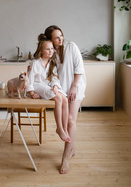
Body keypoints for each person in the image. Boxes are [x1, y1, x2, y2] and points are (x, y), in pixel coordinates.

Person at [44, 25, 86, 174]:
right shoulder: (51, 53)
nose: (60, 39)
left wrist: (74, 87)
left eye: (61, 35)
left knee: (70, 120)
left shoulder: (71, 46)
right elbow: (51, 73)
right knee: (65, 121)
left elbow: (79, 68)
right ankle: (71, 148)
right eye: (56, 37)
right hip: (62, 90)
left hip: (76, 87)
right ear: (50, 40)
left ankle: (65, 158)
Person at [27, 34, 71, 143]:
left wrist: (55, 86)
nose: (50, 51)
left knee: (65, 99)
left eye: (52, 49)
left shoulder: (52, 63)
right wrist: (32, 93)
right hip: (38, 85)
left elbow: (54, 77)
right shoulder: (35, 63)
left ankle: (64, 129)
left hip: (47, 86)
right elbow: (29, 79)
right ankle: (59, 128)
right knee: (58, 99)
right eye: (47, 49)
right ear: (41, 51)